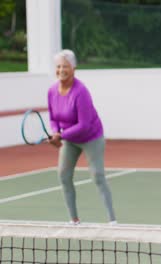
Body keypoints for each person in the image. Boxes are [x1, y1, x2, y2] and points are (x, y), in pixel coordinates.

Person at [47, 49, 116, 225]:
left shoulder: (81, 92)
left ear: (74, 68)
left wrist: (60, 136)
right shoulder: (52, 91)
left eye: (66, 66)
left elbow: (84, 124)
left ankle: (112, 221)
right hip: (69, 139)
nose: (61, 70)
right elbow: (54, 118)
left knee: (97, 176)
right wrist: (56, 132)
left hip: (91, 137)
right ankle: (74, 220)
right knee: (63, 175)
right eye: (59, 66)